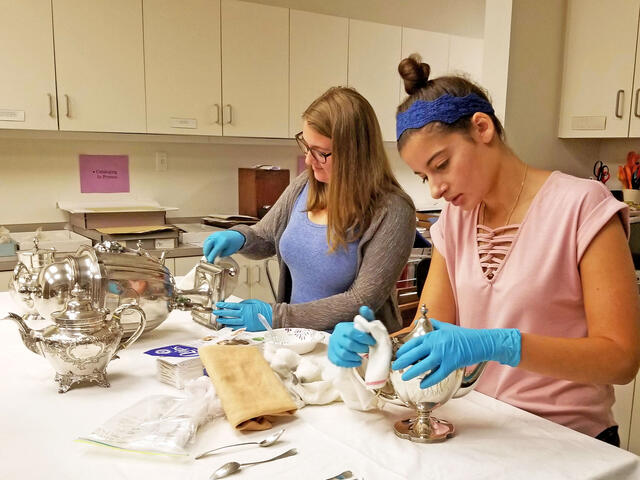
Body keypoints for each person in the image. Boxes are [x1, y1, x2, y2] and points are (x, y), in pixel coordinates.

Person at [328, 54, 640, 446]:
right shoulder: (455, 223)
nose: (435, 189)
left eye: (441, 164)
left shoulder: (582, 207)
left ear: (482, 127)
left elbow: (620, 359)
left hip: (569, 442)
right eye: (425, 176)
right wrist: (372, 350)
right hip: (482, 430)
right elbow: (426, 334)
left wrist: (501, 344)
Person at [203, 86, 416, 333]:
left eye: (320, 152)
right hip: (297, 342)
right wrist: (241, 238)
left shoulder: (393, 211)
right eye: (306, 145)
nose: (308, 160)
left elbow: (362, 300)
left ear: (355, 154)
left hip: (354, 353)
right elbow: (266, 236)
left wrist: (278, 317)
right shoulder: (307, 184)